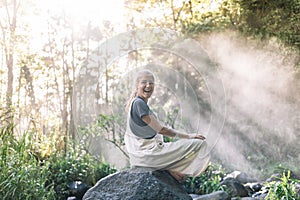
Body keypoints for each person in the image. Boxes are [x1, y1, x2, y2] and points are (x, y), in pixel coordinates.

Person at [124, 69, 210, 182]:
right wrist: (189, 136)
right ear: (137, 85)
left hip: (141, 158)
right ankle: (176, 169)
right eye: (144, 82)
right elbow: (161, 130)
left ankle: (168, 169)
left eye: (151, 82)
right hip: (147, 156)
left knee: (178, 154)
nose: (148, 85)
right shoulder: (139, 103)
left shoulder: (136, 103)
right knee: (199, 144)